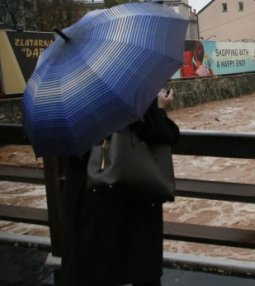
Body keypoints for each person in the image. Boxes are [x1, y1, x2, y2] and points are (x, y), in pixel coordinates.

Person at [61, 88, 179, 286]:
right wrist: (160, 108)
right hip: (124, 190)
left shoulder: (68, 93)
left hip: (83, 191)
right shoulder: (125, 87)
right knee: (139, 265)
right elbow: (160, 132)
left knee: (90, 267)